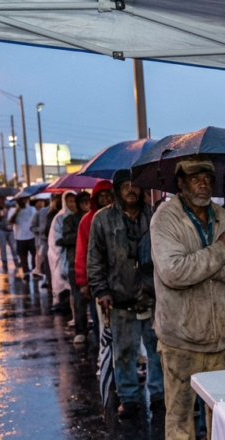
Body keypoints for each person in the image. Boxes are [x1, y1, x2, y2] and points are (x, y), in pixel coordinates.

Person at [151, 156, 225, 440]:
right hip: (181, 337)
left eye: (208, 176)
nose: (203, 183)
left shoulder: (224, 216)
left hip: (223, 335)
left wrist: (206, 261)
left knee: (221, 415)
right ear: (181, 183)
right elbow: (173, 273)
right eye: (194, 177)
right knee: (179, 412)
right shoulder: (165, 218)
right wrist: (220, 250)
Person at [88, 169, 164, 418]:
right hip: (119, 299)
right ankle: (129, 398)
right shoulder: (102, 219)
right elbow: (95, 260)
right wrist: (101, 290)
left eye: (135, 185)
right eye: (125, 186)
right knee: (123, 353)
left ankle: (159, 395)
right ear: (117, 191)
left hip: (153, 298)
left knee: (157, 352)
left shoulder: (155, 216)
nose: (131, 190)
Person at [77, 180, 115, 344]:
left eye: (109, 195)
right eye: (102, 196)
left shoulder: (120, 216)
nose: (106, 199)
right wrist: (83, 281)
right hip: (98, 280)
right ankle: (104, 357)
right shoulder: (87, 221)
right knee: (101, 320)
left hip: (120, 279)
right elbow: (82, 252)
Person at [60, 191, 90, 344]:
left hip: (95, 264)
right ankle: (80, 330)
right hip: (76, 264)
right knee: (79, 299)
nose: (86, 204)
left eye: (88, 200)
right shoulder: (70, 220)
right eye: (83, 201)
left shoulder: (97, 217)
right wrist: (83, 232)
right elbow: (67, 238)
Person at [48, 191, 73, 313]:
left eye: (74, 201)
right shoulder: (59, 218)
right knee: (62, 280)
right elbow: (54, 238)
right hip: (61, 255)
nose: (72, 204)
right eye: (70, 201)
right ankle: (64, 303)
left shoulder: (81, 216)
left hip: (75, 255)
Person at [0, 195, 20, 272]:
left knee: (14, 246)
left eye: (3, 199)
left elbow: (14, 215)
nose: (1, 201)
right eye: (0, 199)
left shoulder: (9, 205)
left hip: (10, 229)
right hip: (0, 230)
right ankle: (4, 263)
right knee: (3, 247)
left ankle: (16, 262)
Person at [10, 196, 37, 277]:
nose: (25, 201)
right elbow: (10, 223)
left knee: (34, 255)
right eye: (23, 199)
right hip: (20, 237)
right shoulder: (14, 211)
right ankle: (26, 272)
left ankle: (34, 270)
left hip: (31, 236)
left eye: (26, 199)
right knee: (23, 256)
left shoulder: (33, 209)